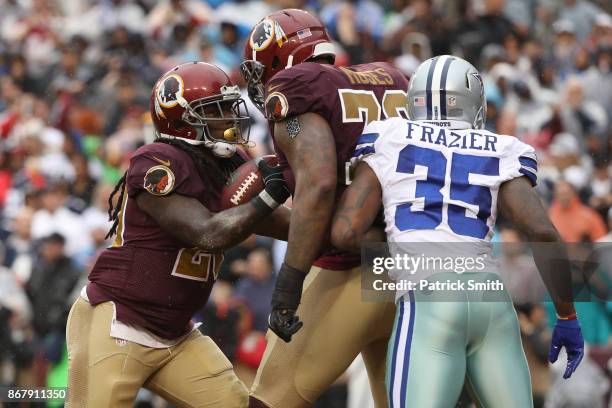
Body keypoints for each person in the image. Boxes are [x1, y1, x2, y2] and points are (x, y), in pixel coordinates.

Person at [331, 56, 584, 407]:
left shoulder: (387, 135)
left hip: (428, 300)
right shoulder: (502, 147)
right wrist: (567, 315)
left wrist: (397, 245)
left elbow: (345, 233)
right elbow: (542, 233)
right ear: (474, 104)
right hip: (491, 302)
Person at [65, 62, 291, 408]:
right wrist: (266, 198)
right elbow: (207, 233)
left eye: (231, 106)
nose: (230, 117)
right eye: (217, 109)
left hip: (175, 331)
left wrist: (344, 225)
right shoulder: (157, 161)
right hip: (121, 322)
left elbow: (285, 225)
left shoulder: (227, 164)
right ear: (182, 119)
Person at [240, 8, 409, 407]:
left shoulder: (295, 92)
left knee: (268, 399)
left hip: (345, 272)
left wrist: (288, 285)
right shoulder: (392, 77)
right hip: (405, 268)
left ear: (278, 60)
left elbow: (317, 185)